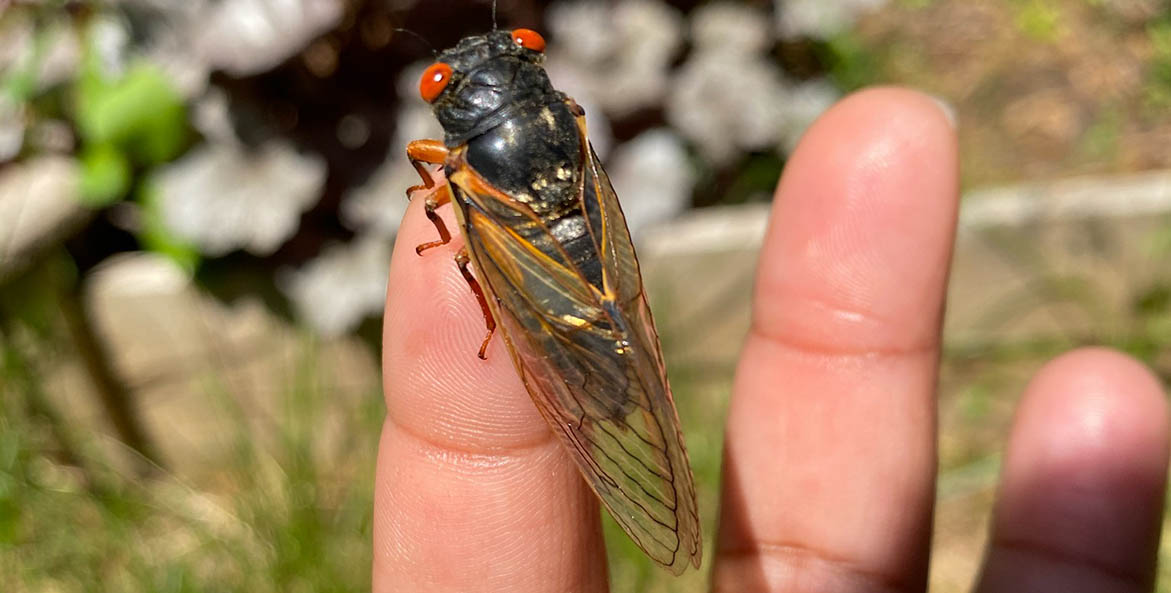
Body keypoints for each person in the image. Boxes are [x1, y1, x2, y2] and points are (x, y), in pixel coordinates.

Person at [374, 88, 1169, 592]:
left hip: (528, 251)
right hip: (561, 250)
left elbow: (439, 193)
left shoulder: (461, 162)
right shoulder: (558, 117)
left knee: (459, 244)